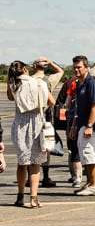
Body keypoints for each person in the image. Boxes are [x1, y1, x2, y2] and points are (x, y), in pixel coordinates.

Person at [6, 60, 54, 208]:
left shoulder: (14, 84)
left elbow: (9, 97)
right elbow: (51, 101)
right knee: (35, 163)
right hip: (37, 122)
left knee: (22, 163)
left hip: (20, 123)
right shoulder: (39, 83)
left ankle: (20, 196)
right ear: (25, 69)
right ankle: (33, 197)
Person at [71, 55, 95, 197]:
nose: (76, 70)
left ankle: (94, 185)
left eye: (79, 67)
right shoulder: (80, 83)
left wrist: (90, 125)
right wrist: (74, 125)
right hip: (81, 124)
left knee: (90, 155)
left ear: (86, 68)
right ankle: (90, 182)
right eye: (75, 67)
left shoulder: (91, 82)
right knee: (85, 155)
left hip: (90, 125)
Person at [30, 57, 64, 188]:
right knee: (46, 146)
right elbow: (60, 71)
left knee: (31, 147)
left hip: (31, 116)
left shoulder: (29, 80)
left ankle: (30, 177)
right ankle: (45, 176)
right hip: (45, 117)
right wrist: (50, 62)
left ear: (34, 66)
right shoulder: (49, 80)